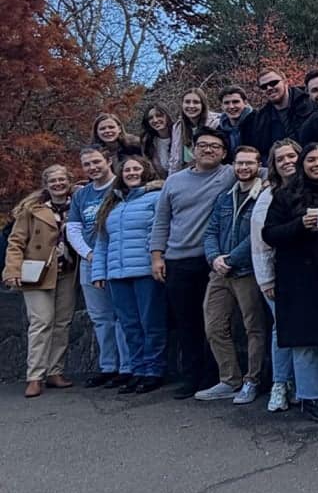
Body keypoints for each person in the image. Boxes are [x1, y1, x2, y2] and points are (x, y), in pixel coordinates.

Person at [262, 142, 318, 424]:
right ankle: (312, 396)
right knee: (306, 341)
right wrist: (299, 225)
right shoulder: (285, 195)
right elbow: (269, 234)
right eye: (311, 160)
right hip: (300, 277)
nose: (317, 164)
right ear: (303, 164)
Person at [150, 126, 235, 398]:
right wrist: (157, 256)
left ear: (224, 153)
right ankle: (191, 377)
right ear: (192, 150)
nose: (208, 150)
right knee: (186, 323)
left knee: (214, 322)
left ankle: (214, 377)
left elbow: (262, 170)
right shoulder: (174, 181)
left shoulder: (229, 174)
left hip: (211, 260)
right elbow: (161, 220)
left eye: (215, 146)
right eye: (202, 145)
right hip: (177, 259)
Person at [196, 146, 270, 405]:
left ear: (259, 166)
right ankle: (229, 380)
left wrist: (231, 259)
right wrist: (214, 257)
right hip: (219, 272)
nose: (244, 168)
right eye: (240, 163)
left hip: (247, 271)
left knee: (254, 328)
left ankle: (252, 380)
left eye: (249, 163)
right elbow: (211, 231)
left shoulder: (264, 196)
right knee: (214, 326)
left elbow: (258, 235)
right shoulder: (225, 197)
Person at [90, 156, 168, 393]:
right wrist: (99, 272)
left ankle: (153, 370)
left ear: (146, 171)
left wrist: (157, 260)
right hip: (117, 274)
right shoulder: (112, 203)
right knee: (129, 325)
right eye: (127, 170)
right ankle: (137, 369)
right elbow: (102, 242)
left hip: (146, 271)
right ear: (120, 175)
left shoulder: (156, 197)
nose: (132, 173)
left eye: (136, 168)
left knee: (151, 323)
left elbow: (159, 231)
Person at [4, 165, 77, 397]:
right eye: (53, 181)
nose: (58, 184)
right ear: (46, 185)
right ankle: (35, 375)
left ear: (69, 181)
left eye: (62, 179)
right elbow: (16, 242)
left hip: (67, 272)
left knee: (62, 323)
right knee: (41, 322)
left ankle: (55, 371)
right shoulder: (32, 209)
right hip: (37, 273)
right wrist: (12, 269)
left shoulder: (77, 205)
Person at [67, 146, 129, 388]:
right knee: (101, 318)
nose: (92, 168)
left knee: (122, 315)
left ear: (108, 161)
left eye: (96, 162)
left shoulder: (122, 186)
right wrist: (88, 254)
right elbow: (73, 229)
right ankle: (108, 366)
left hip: (118, 260)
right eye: (87, 164)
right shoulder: (81, 195)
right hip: (90, 261)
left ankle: (128, 367)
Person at [251, 138, 302, 412]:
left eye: (291, 156)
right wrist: (266, 279)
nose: (287, 162)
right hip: (277, 274)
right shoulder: (268, 195)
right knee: (281, 328)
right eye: (280, 158)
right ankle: (280, 383)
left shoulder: (311, 188)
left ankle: (295, 382)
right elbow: (260, 241)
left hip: (307, 273)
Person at [246, 69, 315, 157]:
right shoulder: (261, 119)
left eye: (273, 83)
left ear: (286, 82)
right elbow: (262, 151)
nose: (269, 88)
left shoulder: (311, 103)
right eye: (264, 86)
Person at [168, 88, 221, 174]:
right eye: (187, 102)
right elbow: (174, 159)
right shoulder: (178, 127)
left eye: (196, 102)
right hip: (184, 174)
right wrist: (171, 179)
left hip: (210, 173)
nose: (191, 106)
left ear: (203, 105)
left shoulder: (216, 124)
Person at [140, 103, 174, 177]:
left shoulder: (179, 136)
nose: (155, 120)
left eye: (159, 116)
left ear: (167, 116)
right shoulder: (147, 142)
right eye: (150, 118)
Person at [217, 86, 254, 151]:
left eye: (235, 102)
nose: (231, 106)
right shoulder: (219, 130)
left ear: (245, 103)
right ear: (222, 106)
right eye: (226, 103)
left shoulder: (258, 123)